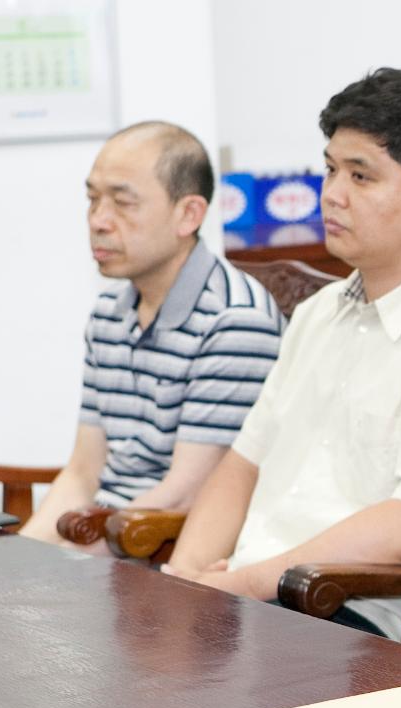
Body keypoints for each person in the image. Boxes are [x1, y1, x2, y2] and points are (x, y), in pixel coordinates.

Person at [162, 69, 401, 639]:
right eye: (330, 169)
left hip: (358, 618)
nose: (332, 194)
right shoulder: (320, 312)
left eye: (361, 176)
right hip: (255, 597)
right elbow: (244, 463)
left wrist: (243, 587)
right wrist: (187, 579)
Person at [21, 122, 283, 547]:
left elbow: (183, 495)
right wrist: (19, 560)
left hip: (160, 550)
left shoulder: (234, 320)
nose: (99, 221)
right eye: (92, 199)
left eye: (123, 203)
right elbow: (83, 473)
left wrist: (59, 570)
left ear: (189, 214)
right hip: (101, 540)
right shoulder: (110, 312)